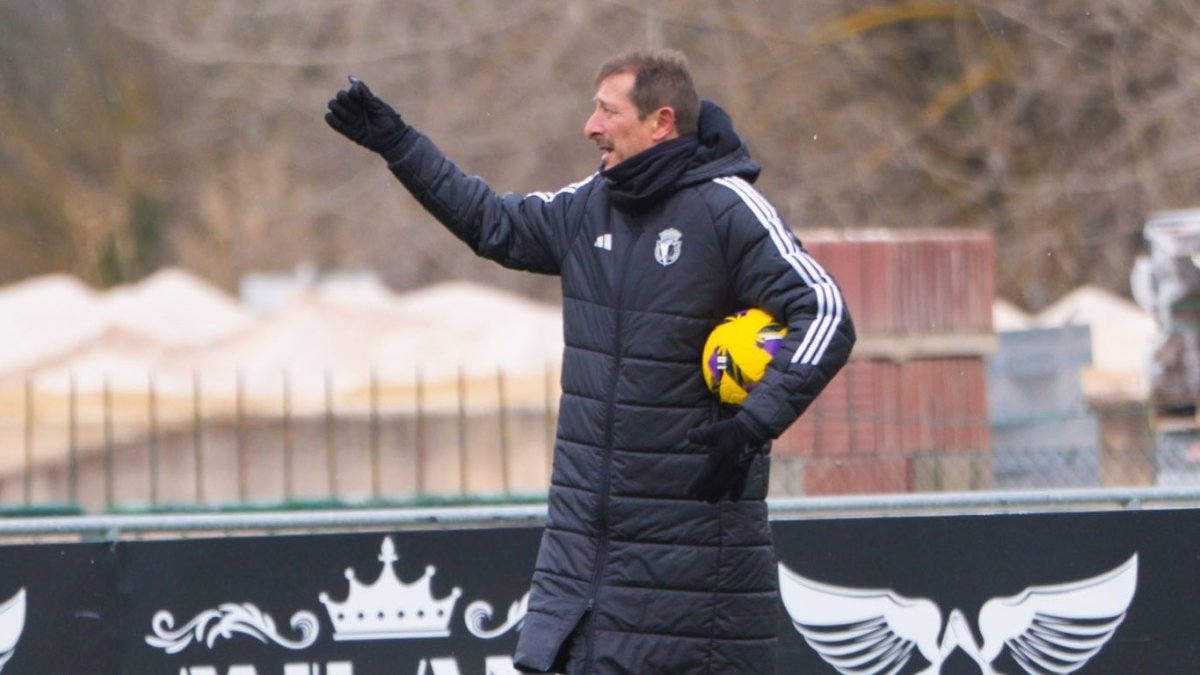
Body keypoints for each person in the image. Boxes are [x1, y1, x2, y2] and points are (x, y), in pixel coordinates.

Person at [326, 49, 855, 675]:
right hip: (581, 574)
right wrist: (399, 145)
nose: (590, 127)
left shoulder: (727, 209)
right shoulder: (589, 205)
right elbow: (492, 223)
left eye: (607, 111)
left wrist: (751, 426)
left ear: (661, 122)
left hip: (691, 583)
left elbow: (826, 312)